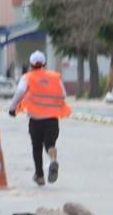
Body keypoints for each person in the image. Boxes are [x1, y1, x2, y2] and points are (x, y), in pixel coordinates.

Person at [8, 51, 71, 186]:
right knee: (50, 144)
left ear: (31, 65)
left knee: (36, 146)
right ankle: (53, 160)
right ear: (44, 64)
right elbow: (64, 94)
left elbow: (19, 92)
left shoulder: (27, 77)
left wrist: (12, 108)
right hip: (52, 119)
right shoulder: (55, 77)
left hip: (35, 119)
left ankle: (40, 176)